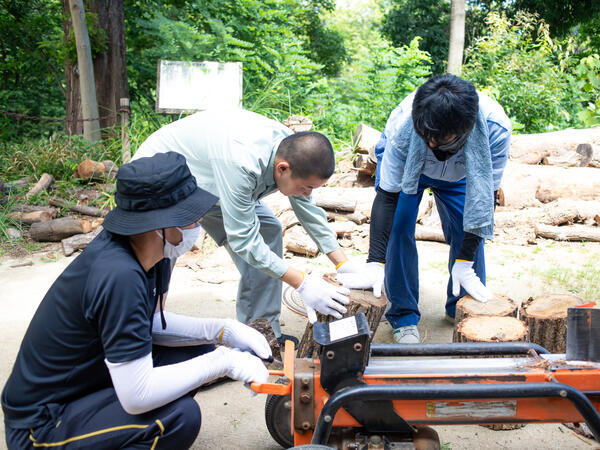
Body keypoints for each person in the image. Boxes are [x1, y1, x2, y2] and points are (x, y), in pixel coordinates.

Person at [2, 152, 272, 449]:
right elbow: (137, 395)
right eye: (188, 214)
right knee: (178, 417)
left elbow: (147, 322)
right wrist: (224, 362)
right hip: (42, 423)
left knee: (195, 353)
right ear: (160, 221)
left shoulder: (150, 250)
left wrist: (223, 331)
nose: (197, 222)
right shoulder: (119, 274)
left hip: (88, 384)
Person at [133, 109, 359, 340]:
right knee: (163, 248)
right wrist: (302, 283)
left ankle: (260, 333)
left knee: (267, 230)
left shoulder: (294, 154)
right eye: (307, 187)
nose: (307, 194)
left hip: (210, 180)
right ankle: (139, 332)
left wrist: (343, 265)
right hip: (161, 176)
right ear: (282, 168)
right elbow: (244, 240)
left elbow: (307, 209)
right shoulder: (243, 161)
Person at [337, 74, 511, 343]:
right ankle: (403, 315)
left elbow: (482, 202)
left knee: (467, 227)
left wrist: (464, 262)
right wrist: (375, 261)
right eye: (427, 136)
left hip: (462, 175)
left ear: (465, 129)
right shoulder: (404, 126)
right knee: (399, 226)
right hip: (410, 169)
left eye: (441, 139)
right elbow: (387, 197)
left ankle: (463, 307)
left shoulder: (495, 128)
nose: (432, 144)